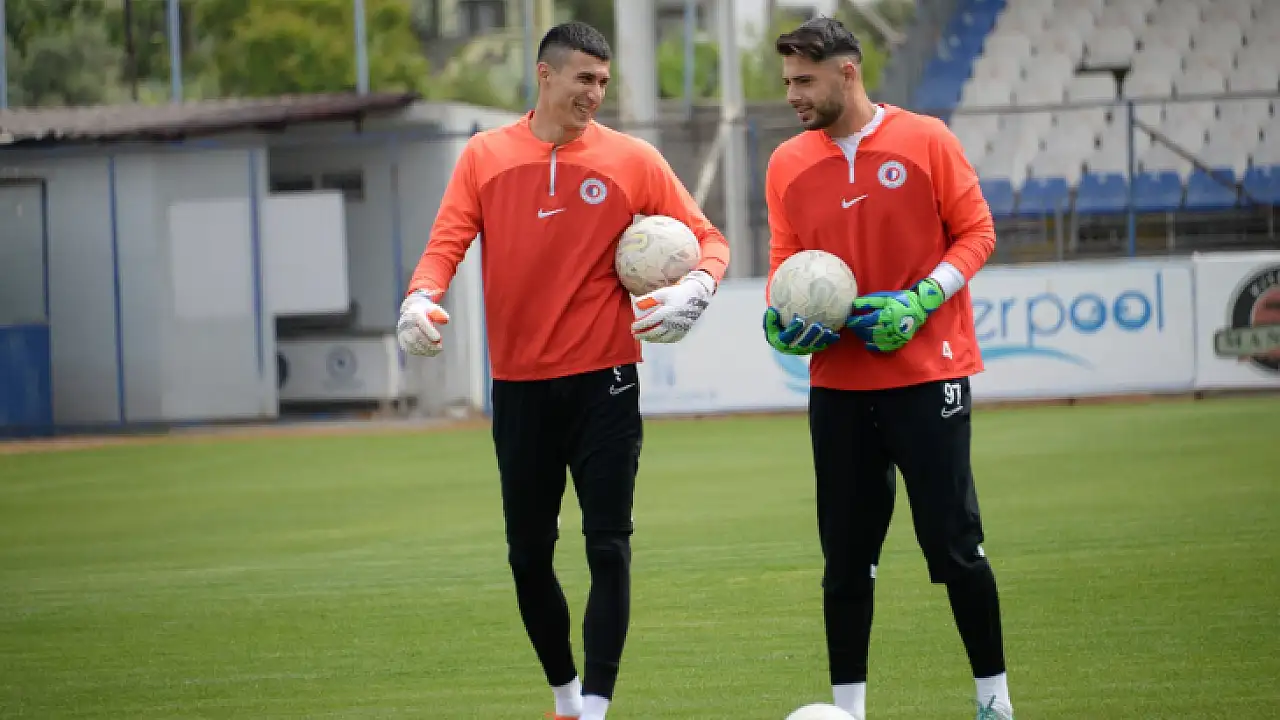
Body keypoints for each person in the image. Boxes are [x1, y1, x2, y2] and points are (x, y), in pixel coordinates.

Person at [396, 21, 730, 720]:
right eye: (584, 79)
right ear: (544, 75)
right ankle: (566, 699)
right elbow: (445, 244)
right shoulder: (484, 156)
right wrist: (420, 298)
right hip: (519, 389)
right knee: (527, 557)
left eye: (603, 82)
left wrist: (696, 289)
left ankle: (597, 709)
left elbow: (709, 240)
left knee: (608, 546)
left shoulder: (633, 159)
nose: (595, 94)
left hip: (606, 381)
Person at [760, 16, 1014, 720]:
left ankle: (994, 703)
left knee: (955, 549)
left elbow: (978, 233)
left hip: (929, 378)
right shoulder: (785, 163)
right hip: (837, 389)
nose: (793, 95)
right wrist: (781, 316)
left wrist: (923, 299)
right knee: (845, 562)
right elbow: (785, 261)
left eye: (804, 81)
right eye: (787, 82)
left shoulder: (927, 139)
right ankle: (849, 712)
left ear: (848, 72)